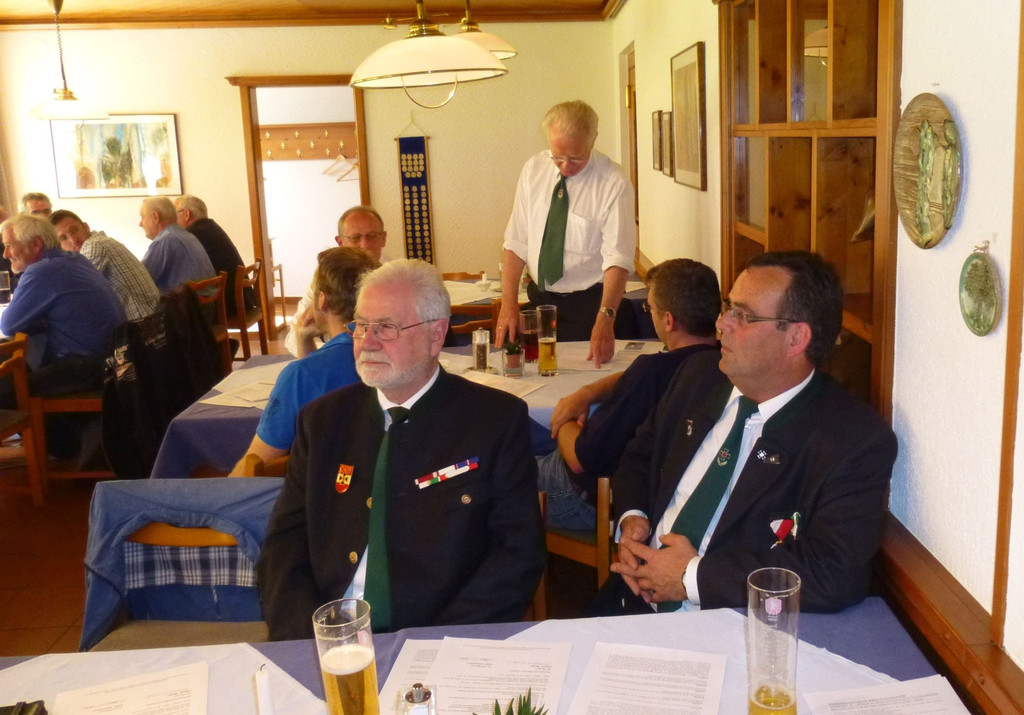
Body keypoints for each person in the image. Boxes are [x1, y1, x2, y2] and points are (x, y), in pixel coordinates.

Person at [598, 251, 897, 615]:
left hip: (725, 623)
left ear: (796, 338)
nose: (721, 324)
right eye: (727, 307)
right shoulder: (699, 376)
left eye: (743, 315)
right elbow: (641, 454)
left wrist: (692, 577)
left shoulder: (850, 440)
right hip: (628, 597)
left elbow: (832, 571)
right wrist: (633, 519)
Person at [258, 259, 545, 639]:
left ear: (435, 335)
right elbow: (284, 543)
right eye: (361, 326)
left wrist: (438, 645)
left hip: (441, 636)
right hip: (330, 636)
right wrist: (310, 638)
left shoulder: (494, 421)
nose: (367, 342)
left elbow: (517, 553)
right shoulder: (322, 422)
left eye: (386, 328)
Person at [538, 258, 721, 529]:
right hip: (664, 499)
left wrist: (564, 416)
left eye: (650, 308)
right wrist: (590, 392)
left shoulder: (650, 373)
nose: (649, 314)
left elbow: (579, 460)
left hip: (588, 498)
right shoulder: (723, 362)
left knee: (502, 471)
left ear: (668, 320)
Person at [496, 100, 636, 368]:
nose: (565, 167)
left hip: (590, 307)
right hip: (541, 303)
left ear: (593, 139)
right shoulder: (533, 170)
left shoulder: (613, 183)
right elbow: (516, 242)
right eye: (557, 156)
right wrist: (508, 303)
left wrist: (605, 319)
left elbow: (617, 259)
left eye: (576, 158)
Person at [231, 247, 377, 473]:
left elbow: (255, 465)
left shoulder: (301, 375)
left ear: (322, 300)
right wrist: (303, 340)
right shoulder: (388, 353)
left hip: (321, 485)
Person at [0, 215, 125, 455]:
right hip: (112, 359)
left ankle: (63, 451)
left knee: (8, 387)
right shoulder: (74, 259)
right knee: (12, 373)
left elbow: (8, 324)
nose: (5, 254)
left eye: (9, 245)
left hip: (88, 367)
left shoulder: (42, 271)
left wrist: (39, 319)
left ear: (36, 244)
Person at [284, 205, 390, 357]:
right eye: (355, 238)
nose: (364, 245)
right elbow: (294, 336)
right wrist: (333, 350)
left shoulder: (395, 278)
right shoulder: (326, 277)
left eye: (372, 236)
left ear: (383, 238)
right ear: (340, 242)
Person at [50, 209, 160, 321]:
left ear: (86, 227)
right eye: (63, 238)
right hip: (151, 318)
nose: (73, 240)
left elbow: (78, 296)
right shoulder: (101, 240)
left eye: (74, 230)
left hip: (142, 325)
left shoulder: (93, 245)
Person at [174, 195, 255, 316]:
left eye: (174, 214)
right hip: (242, 301)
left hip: (226, 306)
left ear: (186, 214)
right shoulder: (211, 227)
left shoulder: (191, 235)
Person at [138, 197, 215, 293]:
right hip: (206, 300)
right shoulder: (188, 236)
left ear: (155, 217)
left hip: (187, 302)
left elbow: (139, 281)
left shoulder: (166, 240)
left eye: (143, 217)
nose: (140, 224)